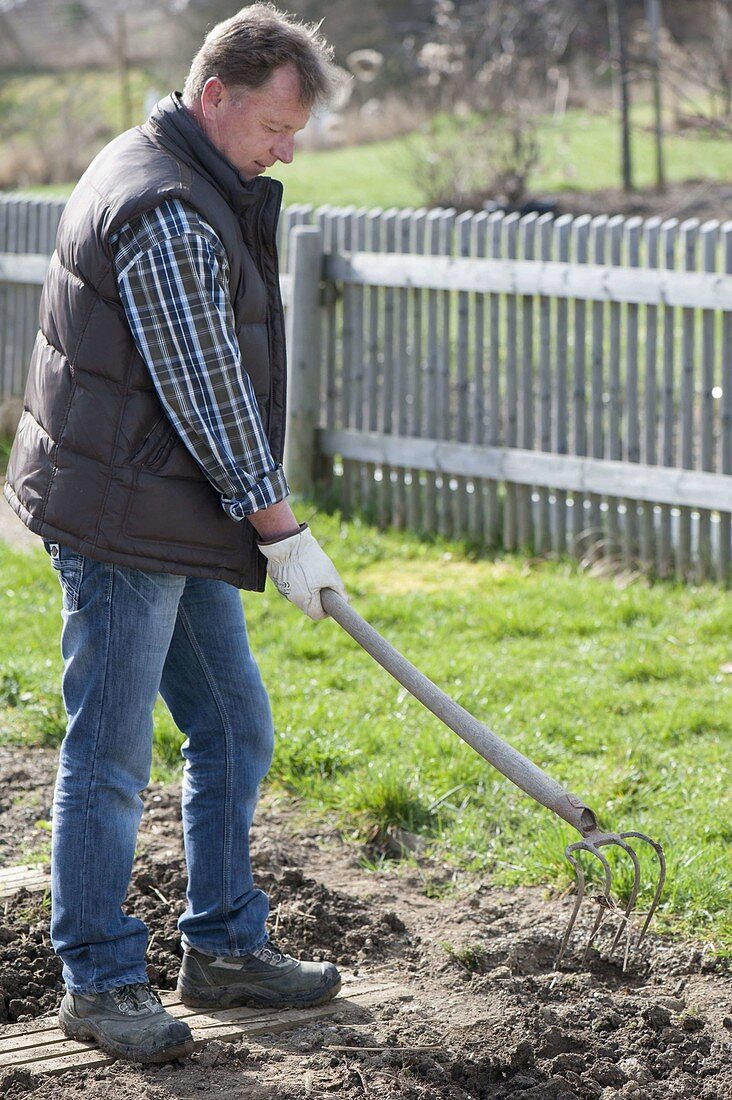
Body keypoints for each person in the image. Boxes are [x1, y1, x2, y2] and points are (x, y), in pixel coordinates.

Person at [3, 4, 348, 1065]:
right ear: (216, 99)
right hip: (121, 517)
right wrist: (280, 530)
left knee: (235, 727)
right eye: (276, 128)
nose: (286, 149)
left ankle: (225, 943)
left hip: (169, 503)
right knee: (110, 757)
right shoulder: (164, 208)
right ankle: (101, 977)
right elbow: (205, 393)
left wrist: (256, 520)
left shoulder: (187, 170)